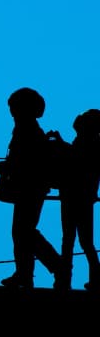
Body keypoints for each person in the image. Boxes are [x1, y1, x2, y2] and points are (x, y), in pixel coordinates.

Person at [0, 87, 62, 289]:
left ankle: (54, 266)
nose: (11, 111)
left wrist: (2, 168)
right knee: (23, 231)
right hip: (33, 187)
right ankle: (26, 273)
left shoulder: (26, 130)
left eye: (14, 107)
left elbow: (23, 160)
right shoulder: (28, 129)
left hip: (29, 187)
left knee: (23, 231)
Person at [53, 109, 100, 291]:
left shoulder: (86, 144)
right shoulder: (93, 144)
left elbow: (75, 160)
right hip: (84, 197)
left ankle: (64, 279)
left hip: (72, 195)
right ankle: (94, 277)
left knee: (70, 239)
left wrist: (60, 145)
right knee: (85, 241)